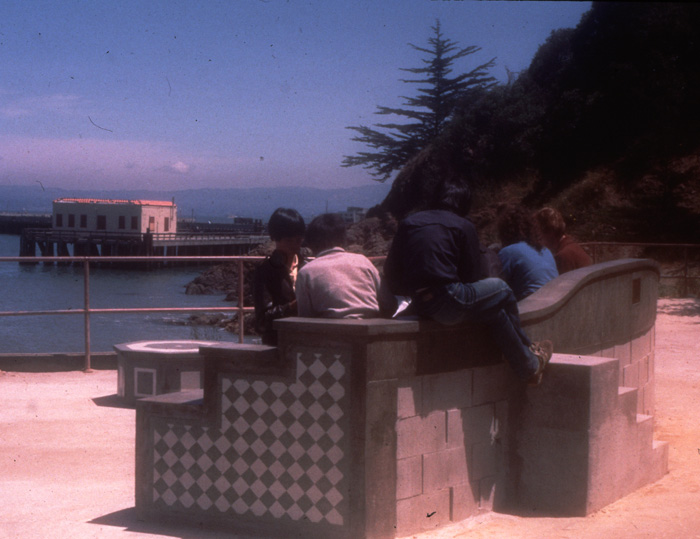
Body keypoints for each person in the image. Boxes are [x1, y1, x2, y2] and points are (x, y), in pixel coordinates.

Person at [384, 181, 552, 385]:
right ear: (463, 203)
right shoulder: (463, 226)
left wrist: (417, 291)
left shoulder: (409, 223)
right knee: (503, 289)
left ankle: (530, 368)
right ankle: (529, 349)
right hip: (449, 300)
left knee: (495, 313)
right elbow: (475, 276)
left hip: (420, 303)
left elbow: (392, 272)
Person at [295, 213, 392, 319]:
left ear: (311, 243)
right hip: (372, 329)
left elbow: (305, 317)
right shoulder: (363, 261)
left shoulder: (306, 272)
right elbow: (388, 302)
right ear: (343, 239)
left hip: (330, 332)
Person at [253, 208, 307, 345]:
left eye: (299, 240)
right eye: (289, 240)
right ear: (275, 238)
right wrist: (292, 307)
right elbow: (262, 322)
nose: (295, 245)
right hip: (278, 342)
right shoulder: (264, 271)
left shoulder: (308, 267)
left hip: (306, 340)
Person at [497, 205, 558, 301]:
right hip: (554, 303)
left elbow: (496, 286)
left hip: (530, 309)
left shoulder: (508, 252)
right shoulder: (545, 250)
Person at [535, 207, 592, 274]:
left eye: (540, 235)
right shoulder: (572, 246)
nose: (540, 241)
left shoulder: (563, 257)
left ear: (550, 232)